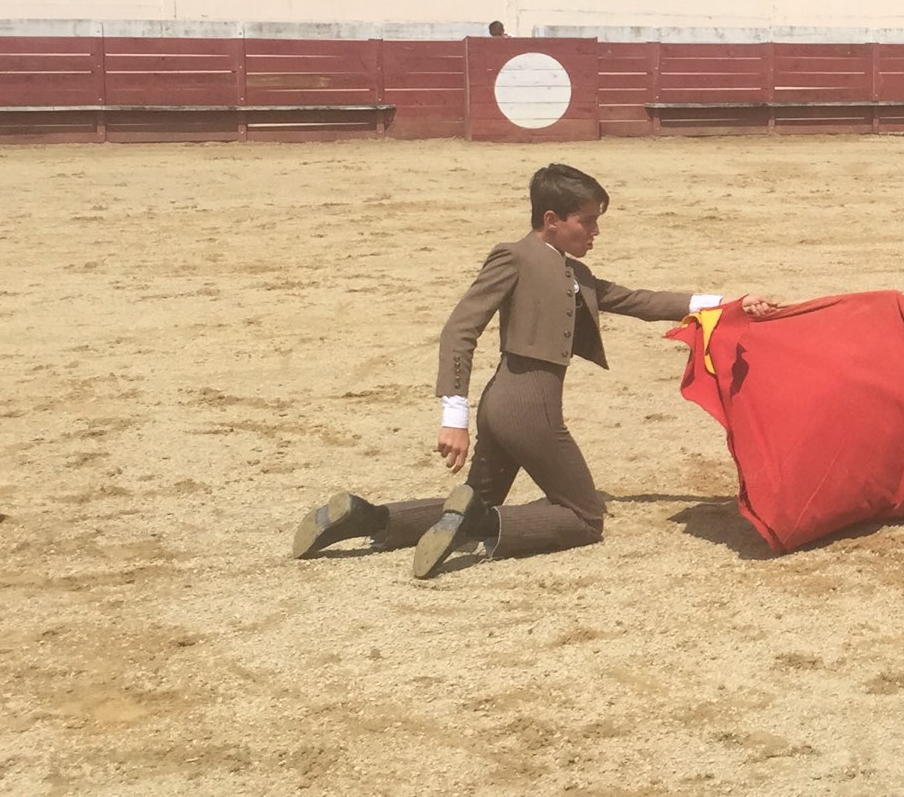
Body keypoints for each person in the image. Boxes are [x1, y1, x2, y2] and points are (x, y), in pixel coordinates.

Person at [291, 164, 781, 578]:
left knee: (477, 496)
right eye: (586, 223)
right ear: (551, 220)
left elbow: (640, 301)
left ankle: (365, 516)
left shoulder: (575, 273)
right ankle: (477, 527)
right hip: (530, 407)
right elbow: (460, 329)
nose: (594, 232)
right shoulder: (513, 256)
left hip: (501, 402)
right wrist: (453, 415)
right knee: (585, 517)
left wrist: (730, 304)